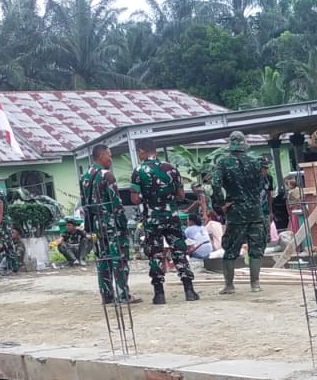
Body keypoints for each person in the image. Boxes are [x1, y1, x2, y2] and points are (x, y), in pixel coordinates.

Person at [130, 140, 197, 304]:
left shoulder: (138, 171)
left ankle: (159, 294)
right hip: (172, 217)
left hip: (152, 219)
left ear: (142, 151)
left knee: (155, 254)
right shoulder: (171, 168)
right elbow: (181, 195)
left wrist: (147, 197)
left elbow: (135, 199)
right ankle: (189, 290)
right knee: (179, 252)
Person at [212, 130, 269, 293]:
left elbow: (215, 184)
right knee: (256, 249)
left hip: (235, 212)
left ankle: (229, 285)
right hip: (255, 211)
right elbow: (263, 185)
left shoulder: (223, 163)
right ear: (244, 145)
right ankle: (255, 284)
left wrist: (221, 203)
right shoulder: (255, 163)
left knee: (231, 249)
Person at [80, 143, 136, 305]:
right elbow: (116, 203)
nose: (111, 159)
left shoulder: (85, 177)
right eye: (109, 156)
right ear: (101, 156)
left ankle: (107, 296)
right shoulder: (106, 175)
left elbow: (85, 204)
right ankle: (123, 295)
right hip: (112, 224)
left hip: (97, 225)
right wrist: (123, 223)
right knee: (119, 258)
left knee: (103, 259)